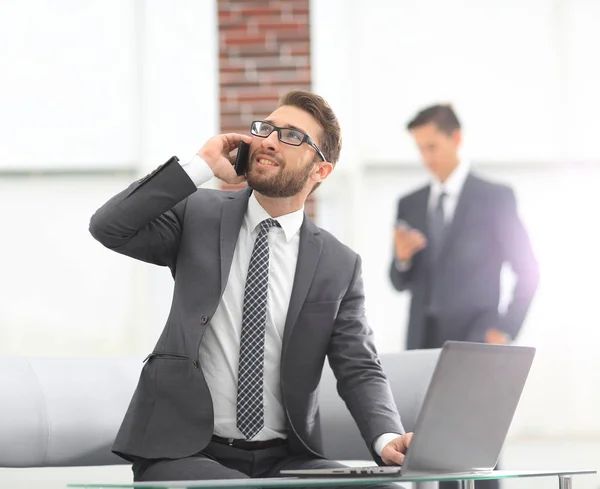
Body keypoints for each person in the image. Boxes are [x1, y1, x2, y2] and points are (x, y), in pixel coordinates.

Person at [90, 90, 411, 484]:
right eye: (266, 129)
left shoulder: (339, 264)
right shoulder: (198, 212)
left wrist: (387, 437)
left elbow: (359, 367)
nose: (269, 140)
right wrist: (200, 166)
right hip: (182, 450)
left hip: (286, 458)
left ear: (320, 171)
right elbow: (109, 226)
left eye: (292, 135)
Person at [389, 104, 539, 489]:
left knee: (475, 452)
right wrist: (402, 259)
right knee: (427, 455)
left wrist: (503, 329)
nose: (426, 158)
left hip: (476, 339)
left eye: (432, 146)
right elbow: (399, 281)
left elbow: (528, 271)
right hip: (423, 346)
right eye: (419, 148)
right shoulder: (410, 204)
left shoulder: (495, 197)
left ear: (456, 138)